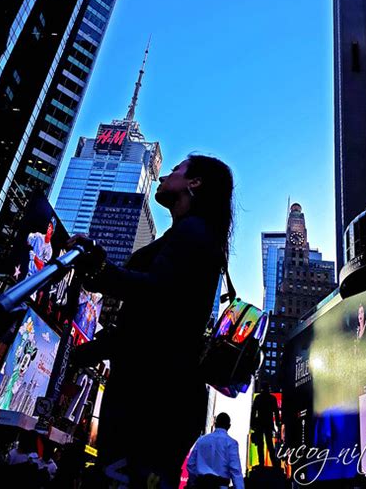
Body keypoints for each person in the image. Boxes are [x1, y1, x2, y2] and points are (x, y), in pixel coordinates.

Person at [66, 154, 234, 488]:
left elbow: (157, 294)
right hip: (154, 393)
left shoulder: (194, 233)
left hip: (152, 399)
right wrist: (81, 355)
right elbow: (147, 326)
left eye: (175, 171)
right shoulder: (188, 234)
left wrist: (100, 266)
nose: (163, 176)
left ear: (194, 183)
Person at [186, 413, 244, 489]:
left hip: (200, 485)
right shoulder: (231, 443)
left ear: (215, 424)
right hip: (220, 485)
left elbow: (191, 464)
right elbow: (235, 470)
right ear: (229, 426)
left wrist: (193, 482)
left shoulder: (201, 440)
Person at [250, 382, 281, 468]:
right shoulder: (272, 398)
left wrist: (252, 423)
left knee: (261, 444)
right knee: (269, 444)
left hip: (260, 423)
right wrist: (278, 423)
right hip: (268, 423)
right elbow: (276, 412)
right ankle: (274, 463)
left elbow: (253, 412)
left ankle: (261, 463)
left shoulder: (258, 398)